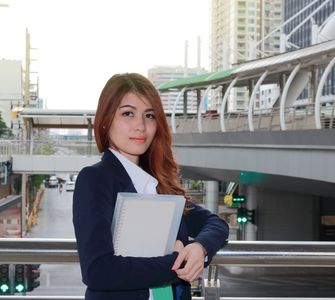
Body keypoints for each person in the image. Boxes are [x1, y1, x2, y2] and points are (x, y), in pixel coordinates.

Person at [72, 73, 229, 300]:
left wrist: (199, 249)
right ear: (105, 120)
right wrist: (175, 261)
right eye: (128, 113)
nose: (141, 126)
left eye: (149, 115)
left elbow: (216, 224)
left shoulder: (159, 184)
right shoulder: (96, 179)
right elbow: (98, 271)